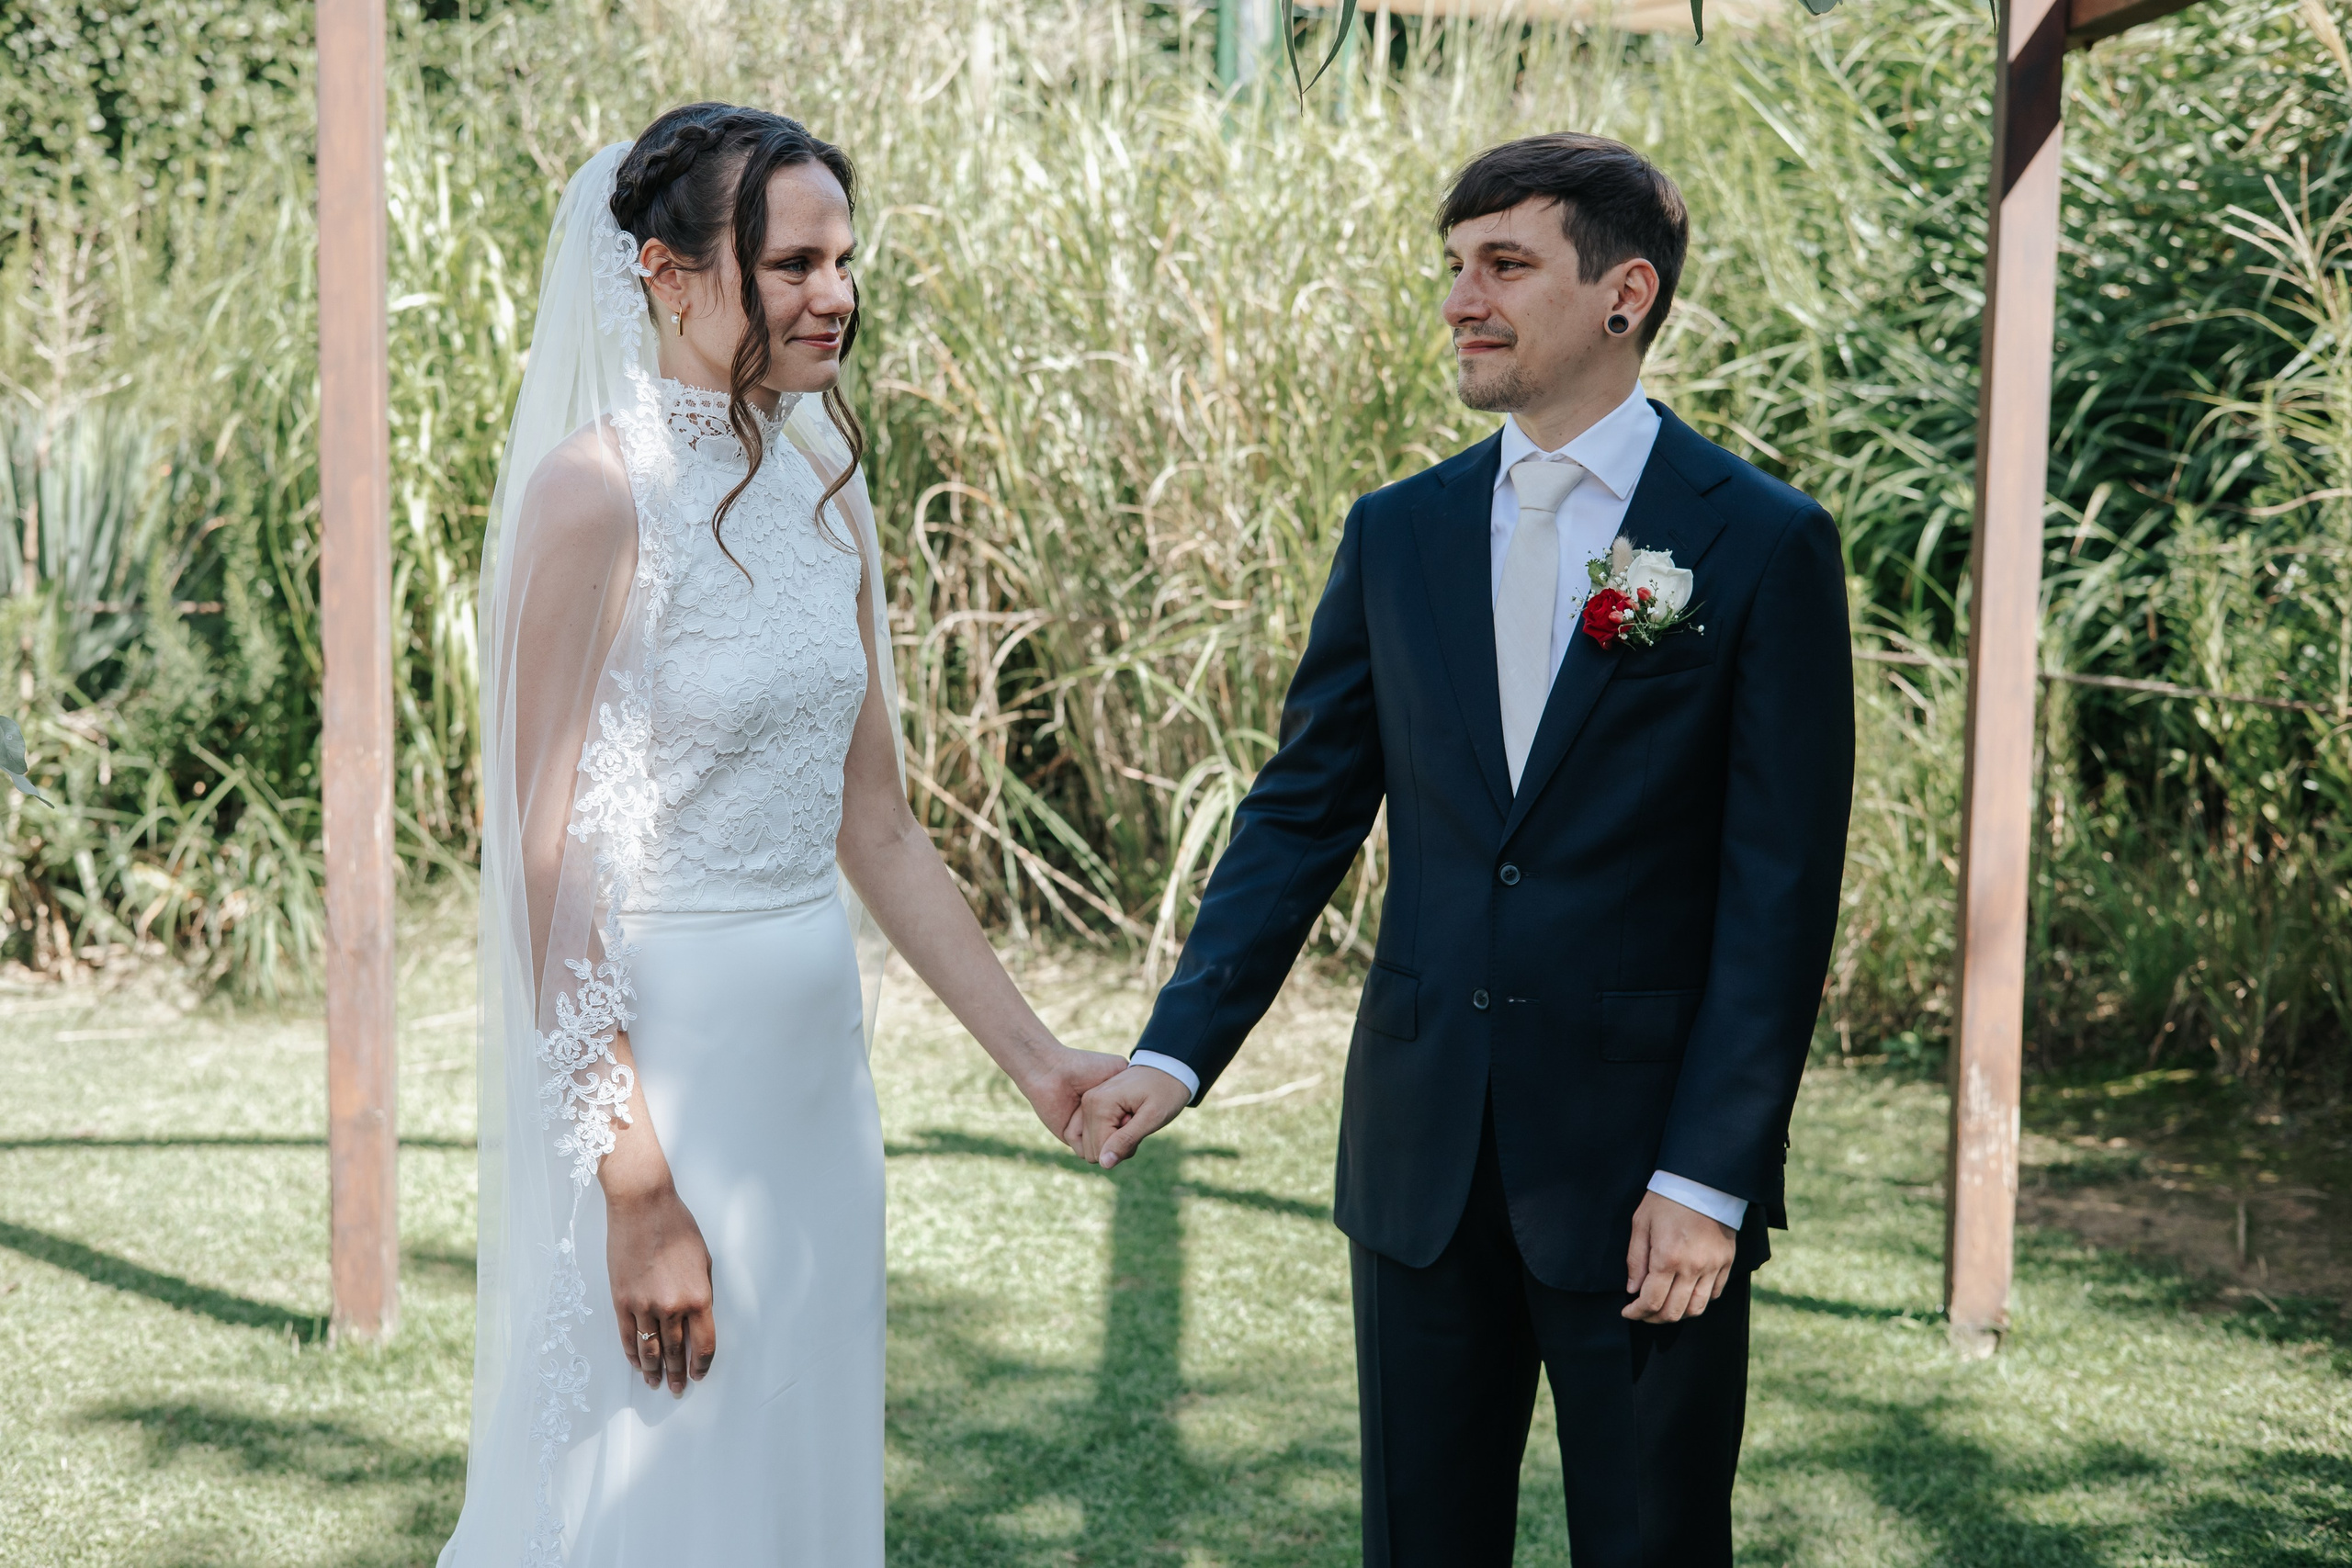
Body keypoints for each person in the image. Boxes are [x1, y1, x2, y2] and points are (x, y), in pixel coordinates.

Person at [1075, 133, 1855, 1566]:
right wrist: (1176, 1050)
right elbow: (1303, 811)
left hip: (1643, 1182)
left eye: (1504, 265)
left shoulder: (1759, 543)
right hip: (1421, 1162)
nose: (1460, 301)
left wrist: (1709, 1181)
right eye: (1453, 268)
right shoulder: (1398, 534)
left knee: (1653, 1543)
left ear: (1625, 293)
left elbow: (1780, 894)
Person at [439, 105, 1125, 1567]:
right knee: (657, 1473)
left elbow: (874, 828)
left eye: (846, 260)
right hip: (663, 1079)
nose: (837, 296)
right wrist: (635, 1189)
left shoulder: (828, 484)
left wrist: (1040, 1063)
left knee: (792, 1467)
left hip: (814, 1075)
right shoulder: (595, 497)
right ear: (669, 275)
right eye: (793, 264)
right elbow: (544, 876)